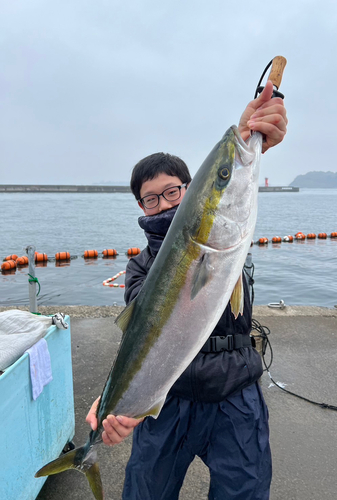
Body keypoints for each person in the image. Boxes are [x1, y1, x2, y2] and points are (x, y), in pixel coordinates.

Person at [86, 80, 288, 499]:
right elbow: (143, 334)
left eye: (173, 192)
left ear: (189, 189)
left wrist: (250, 138)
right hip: (168, 402)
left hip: (235, 395)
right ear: (140, 207)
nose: (162, 204)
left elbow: (227, 194)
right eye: (150, 199)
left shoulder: (225, 243)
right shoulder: (139, 268)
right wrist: (114, 401)